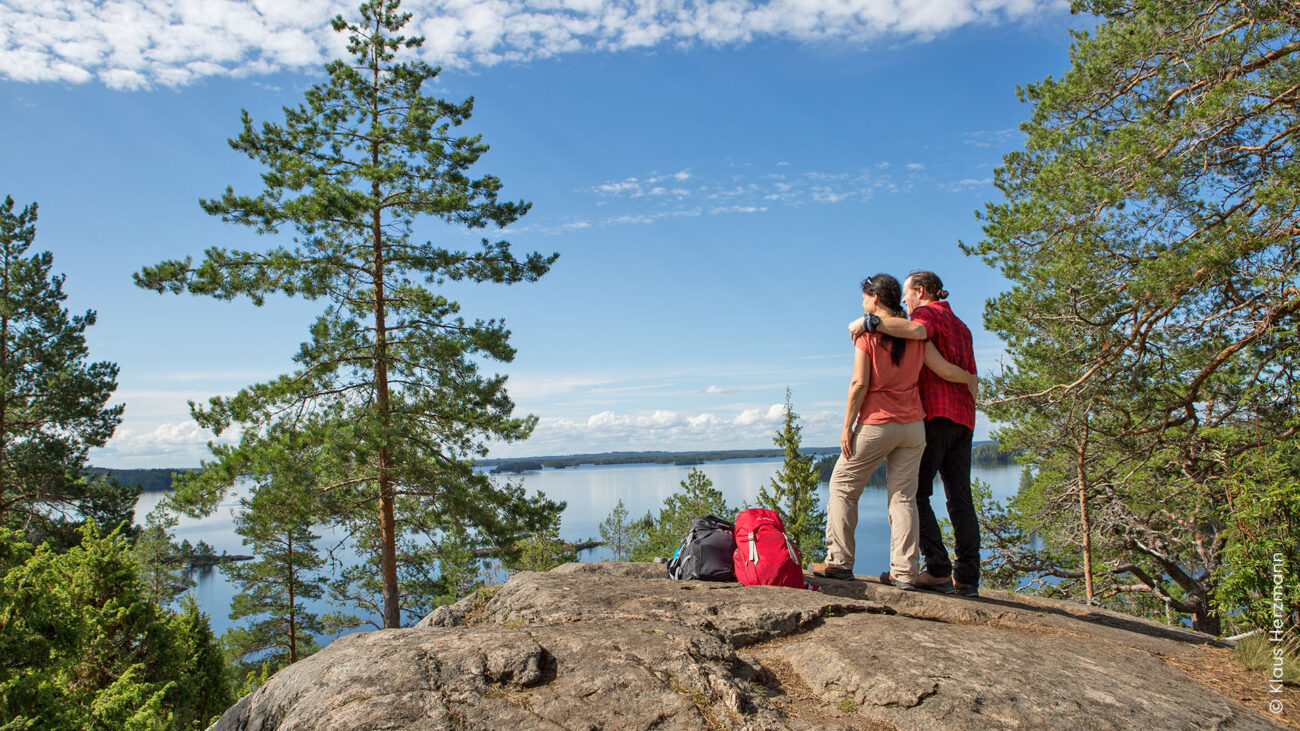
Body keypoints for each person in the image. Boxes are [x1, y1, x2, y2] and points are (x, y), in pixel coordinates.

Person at [811, 274, 977, 591]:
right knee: (904, 498)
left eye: (864, 299)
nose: (862, 304)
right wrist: (970, 379)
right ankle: (905, 573)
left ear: (874, 299)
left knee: (843, 487)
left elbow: (859, 383)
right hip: (914, 427)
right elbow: (941, 367)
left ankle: (839, 563)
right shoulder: (915, 335)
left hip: (878, 423)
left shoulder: (868, 335)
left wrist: (847, 426)